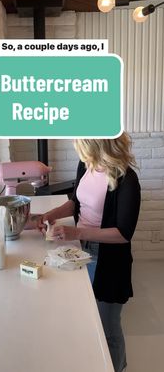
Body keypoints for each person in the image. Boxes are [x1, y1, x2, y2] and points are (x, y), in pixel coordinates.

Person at [38, 133, 141, 372]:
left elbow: (123, 234)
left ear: (96, 142)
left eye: (79, 141)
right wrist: (51, 214)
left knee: (108, 327)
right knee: (84, 314)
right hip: (79, 250)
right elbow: (76, 201)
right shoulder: (87, 164)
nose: (76, 146)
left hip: (108, 259)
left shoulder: (126, 178)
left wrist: (77, 233)